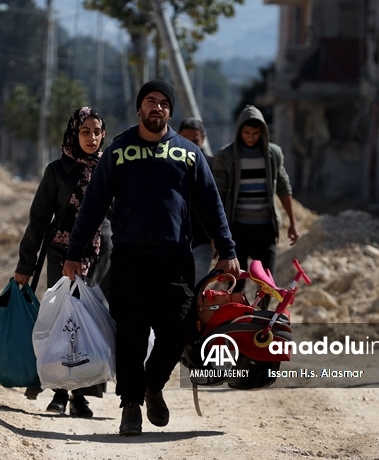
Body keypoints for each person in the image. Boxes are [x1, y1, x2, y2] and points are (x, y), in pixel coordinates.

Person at [63, 81, 239, 436]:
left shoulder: (188, 154)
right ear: (139, 109)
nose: (156, 108)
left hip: (175, 259)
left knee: (177, 332)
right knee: (131, 334)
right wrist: (74, 253)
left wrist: (228, 249)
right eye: (149, 102)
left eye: (163, 103)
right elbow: (93, 205)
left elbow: (210, 203)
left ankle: (152, 385)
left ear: (170, 112)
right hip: (130, 260)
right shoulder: (118, 152)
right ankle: (130, 406)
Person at [14, 106, 112, 418]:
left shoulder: (110, 169)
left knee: (89, 324)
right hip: (60, 254)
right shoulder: (57, 171)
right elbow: (38, 220)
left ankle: (81, 395)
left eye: (97, 132)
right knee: (62, 322)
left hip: (99, 257)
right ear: (74, 133)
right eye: (86, 132)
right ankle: (58, 390)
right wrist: (25, 267)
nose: (92, 138)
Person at [212, 105, 299, 307]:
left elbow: (284, 187)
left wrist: (292, 223)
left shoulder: (273, 155)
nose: (251, 137)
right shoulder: (225, 157)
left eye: (255, 133)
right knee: (236, 281)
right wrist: (216, 234)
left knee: (267, 283)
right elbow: (218, 195)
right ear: (239, 131)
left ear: (262, 133)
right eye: (246, 133)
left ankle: (261, 323)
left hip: (266, 228)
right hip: (237, 229)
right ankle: (237, 322)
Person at [178, 117, 216, 285]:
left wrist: (218, 237)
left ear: (203, 139)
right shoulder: (167, 165)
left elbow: (217, 204)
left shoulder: (212, 166)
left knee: (195, 289)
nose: (191, 146)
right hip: (172, 241)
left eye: (195, 141)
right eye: (186, 140)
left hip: (202, 241)